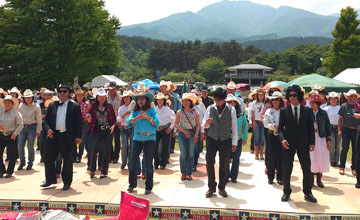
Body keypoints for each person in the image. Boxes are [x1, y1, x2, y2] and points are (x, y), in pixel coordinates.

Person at [278, 85, 317, 203]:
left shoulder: (308, 110)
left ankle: (308, 192)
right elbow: (280, 129)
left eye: (294, 95)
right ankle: (286, 191)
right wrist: (282, 139)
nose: (292, 98)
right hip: (288, 143)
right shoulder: (284, 111)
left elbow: (311, 128)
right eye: (290, 95)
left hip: (304, 143)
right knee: (286, 168)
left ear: (299, 96)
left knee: (306, 168)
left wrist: (312, 142)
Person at [41, 84, 82, 190]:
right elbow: (46, 120)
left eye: (64, 91)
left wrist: (78, 136)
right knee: (47, 158)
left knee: (67, 160)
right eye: (60, 91)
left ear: (69, 93)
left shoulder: (75, 106)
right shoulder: (52, 105)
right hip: (54, 136)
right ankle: (50, 180)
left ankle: (67, 182)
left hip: (67, 137)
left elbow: (79, 123)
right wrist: (48, 129)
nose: (62, 93)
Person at [201, 87, 238, 198]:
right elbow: (204, 124)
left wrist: (234, 141)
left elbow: (234, 126)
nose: (217, 102)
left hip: (225, 138)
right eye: (216, 100)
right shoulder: (210, 108)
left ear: (224, 99)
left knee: (224, 163)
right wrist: (206, 123)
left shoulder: (231, 110)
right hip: (211, 138)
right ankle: (211, 187)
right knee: (209, 162)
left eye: (219, 100)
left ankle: (222, 187)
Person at [127, 83, 159, 195]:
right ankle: (132, 184)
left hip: (150, 138)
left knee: (148, 163)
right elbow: (128, 123)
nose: (140, 101)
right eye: (138, 99)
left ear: (146, 100)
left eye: (142, 99)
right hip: (137, 138)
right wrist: (137, 117)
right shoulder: (134, 111)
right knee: (132, 161)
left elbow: (156, 124)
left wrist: (148, 118)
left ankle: (148, 186)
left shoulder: (152, 111)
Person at [87, 88, 116, 179]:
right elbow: (89, 118)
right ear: (97, 97)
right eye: (100, 96)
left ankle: (104, 170)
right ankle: (92, 169)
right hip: (97, 130)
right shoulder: (93, 107)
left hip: (107, 130)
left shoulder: (109, 106)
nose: (102, 98)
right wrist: (88, 118)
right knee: (93, 149)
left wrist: (113, 126)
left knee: (107, 150)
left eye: (103, 96)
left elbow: (114, 119)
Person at [308, 91, 331, 188]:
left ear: (317, 103)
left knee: (321, 158)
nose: (311, 104)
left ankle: (319, 179)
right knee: (312, 158)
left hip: (321, 137)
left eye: (313, 102)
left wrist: (328, 140)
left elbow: (327, 126)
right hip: (311, 138)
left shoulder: (323, 113)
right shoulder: (308, 113)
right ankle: (311, 179)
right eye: (310, 102)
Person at [174, 93, 200, 180]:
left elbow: (198, 125)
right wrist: (184, 131)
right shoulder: (179, 112)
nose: (185, 103)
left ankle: (189, 172)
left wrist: (196, 134)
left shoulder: (195, 112)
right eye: (183, 101)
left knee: (191, 154)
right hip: (182, 134)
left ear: (190, 102)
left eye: (187, 101)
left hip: (192, 133)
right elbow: (176, 124)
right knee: (183, 154)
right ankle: (183, 172)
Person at [17, 89, 42, 171]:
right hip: (22, 128)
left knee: (30, 146)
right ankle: (22, 161)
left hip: (32, 127)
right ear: (24, 98)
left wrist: (38, 130)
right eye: (26, 97)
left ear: (32, 97)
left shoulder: (36, 106)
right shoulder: (20, 106)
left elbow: (39, 119)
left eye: (30, 97)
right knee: (20, 145)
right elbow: (17, 117)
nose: (28, 99)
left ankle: (30, 163)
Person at [226, 94, 247, 183]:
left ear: (235, 103)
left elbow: (245, 126)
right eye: (228, 102)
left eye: (231, 102)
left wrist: (245, 137)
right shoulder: (224, 113)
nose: (229, 103)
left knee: (236, 158)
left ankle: (234, 176)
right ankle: (226, 175)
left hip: (237, 139)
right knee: (226, 158)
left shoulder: (241, 114)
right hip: (226, 139)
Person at [0, 95, 23, 178]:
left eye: (9, 102)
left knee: (11, 155)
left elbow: (20, 124)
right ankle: (1, 170)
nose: (7, 104)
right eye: (5, 103)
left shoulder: (16, 113)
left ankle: (10, 171)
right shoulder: (1, 112)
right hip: (1, 135)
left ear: (12, 104)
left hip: (11, 135)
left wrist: (15, 133)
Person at [264, 91, 284, 185]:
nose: (275, 101)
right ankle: (270, 177)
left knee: (280, 157)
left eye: (277, 99)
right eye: (273, 100)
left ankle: (280, 177)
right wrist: (273, 126)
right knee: (271, 156)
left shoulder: (284, 111)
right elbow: (265, 124)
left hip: (281, 135)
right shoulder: (268, 111)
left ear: (280, 100)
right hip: (271, 134)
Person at [338, 89, 359, 176]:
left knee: (355, 150)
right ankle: (342, 167)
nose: (351, 98)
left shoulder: (358, 106)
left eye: (353, 96)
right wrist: (339, 130)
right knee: (345, 148)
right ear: (347, 97)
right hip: (346, 129)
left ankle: (354, 168)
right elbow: (340, 119)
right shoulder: (343, 106)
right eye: (350, 96)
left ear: (355, 97)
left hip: (356, 130)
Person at [154, 92, 174, 170]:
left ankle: (163, 163)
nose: (160, 101)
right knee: (155, 147)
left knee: (165, 147)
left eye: (161, 100)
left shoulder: (167, 109)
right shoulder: (153, 109)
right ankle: (156, 163)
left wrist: (170, 128)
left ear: (164, 100)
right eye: (158, 100)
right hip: (156, 129)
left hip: (165, 129)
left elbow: (173, 120)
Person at [117, 90, 134, 170]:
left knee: (132, 146)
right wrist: (125, 114)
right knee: (124, 146)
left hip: (132, 127)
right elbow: (119, 119)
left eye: (128, 97)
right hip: (124, 128)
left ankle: (130, 162)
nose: (126, 99)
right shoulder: (121, 108)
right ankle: (124, 162)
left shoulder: (134, 107)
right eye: (125, 97)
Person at [74, 89, 91, 164]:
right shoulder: (73, 104)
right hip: (75, 123)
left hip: (84, 122)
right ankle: (74, 155)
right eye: (78, 95)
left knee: (82, 140)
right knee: (73, 139)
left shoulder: (86, 104)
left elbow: (89, 114)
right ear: (76, 96)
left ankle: (79, 156)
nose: (80, 97)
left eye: (81, 95)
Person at [324, 92, 341, 167]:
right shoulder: (326, 109)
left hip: (338, 127)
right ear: (329, 100)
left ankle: (337, 160)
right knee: (331, 145)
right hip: (330, 128)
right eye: (332, 99)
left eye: (335, 98)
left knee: (338, 145)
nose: (333, 100)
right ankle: (331, 160)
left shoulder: (340, 108)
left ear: (337, 100)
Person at [107, 81, 122, 164]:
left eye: (113, 88)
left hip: (117, 120)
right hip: (108, 121)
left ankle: (116, 157)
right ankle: (109, 156)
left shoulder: (120, 98)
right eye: (111, 89)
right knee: (109, 140)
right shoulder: (105, 97)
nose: (112, 90)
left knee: (117, 139)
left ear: (116, 89)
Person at [38, 90, 53, 162]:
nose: (47, 97)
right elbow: (39, 115)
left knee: (50, 141)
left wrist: (45, 116)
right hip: (42, 124)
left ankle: (49, 155)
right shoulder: (41, 105)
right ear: (43, 96)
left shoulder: (53, 103)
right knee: (41, 141)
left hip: (51, 125)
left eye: (49, 95)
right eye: (45, 95)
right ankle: (42, 156)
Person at [251, 88, 265, 160]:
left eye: (262, 95)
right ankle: (256, 154)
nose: (260, 96)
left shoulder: (265, 103)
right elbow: (252, 113)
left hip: (263, 122)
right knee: (256, 138)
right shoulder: (254, 103)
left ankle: (261, 154)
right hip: (256, 121)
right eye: (259, 95)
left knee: (262, 138)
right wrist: (254, 122)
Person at [247, 90, 257, 154]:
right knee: (254, 135)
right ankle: (252, 148)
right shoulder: (251, 103)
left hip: (260, 120)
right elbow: (249, 113)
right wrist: (250, 121)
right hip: (254, 120)